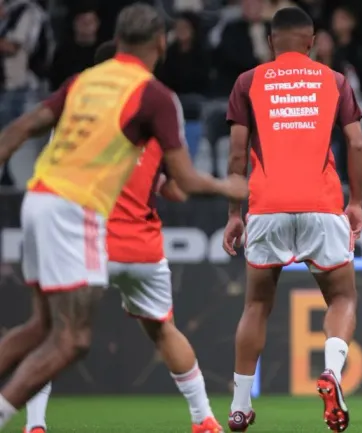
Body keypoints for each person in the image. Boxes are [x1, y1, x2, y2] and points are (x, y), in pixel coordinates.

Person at [0, 4, 247, 430]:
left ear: (117, 40)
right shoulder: (154, 97)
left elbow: (20, 128)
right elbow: (182, 179)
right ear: (161, 43)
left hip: (38, 198)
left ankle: (33, 423)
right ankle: (203, 418)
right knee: (72, 339)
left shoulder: (82, 83)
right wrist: (231, 188)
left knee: (40, 327)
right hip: (81, 215)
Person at [223, 7, 362, 433]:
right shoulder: (334, 80)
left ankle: (239, 405)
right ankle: (332, 374)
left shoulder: (248, 82)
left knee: (256, 305)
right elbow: (356, 145)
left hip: (266, 206)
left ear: (270, 42)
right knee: (342, 298)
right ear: (312, 41)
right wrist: (355, 201)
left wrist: (235, 214)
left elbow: (235, 154)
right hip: (322, 205)